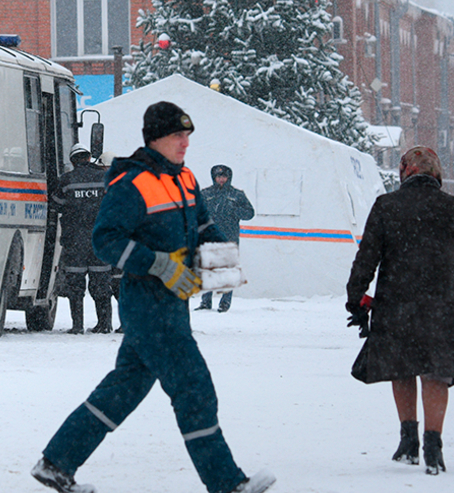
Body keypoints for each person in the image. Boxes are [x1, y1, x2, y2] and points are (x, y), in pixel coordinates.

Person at [32, 101, 274, 493]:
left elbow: (204, 225)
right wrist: (159, 265)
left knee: (124, 388)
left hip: (173, 303)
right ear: (155, 138)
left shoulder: (185, 180)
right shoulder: (131, 183)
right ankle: (226, 483)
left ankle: (56, 461)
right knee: (193, 387)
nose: (185, 143)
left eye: (188, 136)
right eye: (178, 136)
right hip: (146, 302)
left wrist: (221, 272)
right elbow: (105, 240)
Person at [345, 146, 454, 476]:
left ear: (405, 171)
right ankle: (433, 446)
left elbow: (367, 257)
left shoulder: (387, 206)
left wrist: (356, 295)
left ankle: (408, 442)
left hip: (396, 301)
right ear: (436, 173)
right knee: (436, 372)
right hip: (442, 304)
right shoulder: (452, 207)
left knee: (402, 368)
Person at [53, 143, 113, 334]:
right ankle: (105, 324)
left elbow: (56, 204)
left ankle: (77, 325)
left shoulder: (66, 181)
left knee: (76, 286)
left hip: (75, 241)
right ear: (89, 158)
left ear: (72, 161)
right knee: (101, 284)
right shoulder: (105, 179)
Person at [195, 164, 254, 312]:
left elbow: (250, 213)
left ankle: (224, 303)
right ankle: (206, 302)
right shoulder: (205, 194)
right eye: (218, 177)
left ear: (229, 178)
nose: (221, 179)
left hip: (229, 238)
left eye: (224, 177)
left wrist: (234, 211)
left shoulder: (237, 195)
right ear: (214, 178)